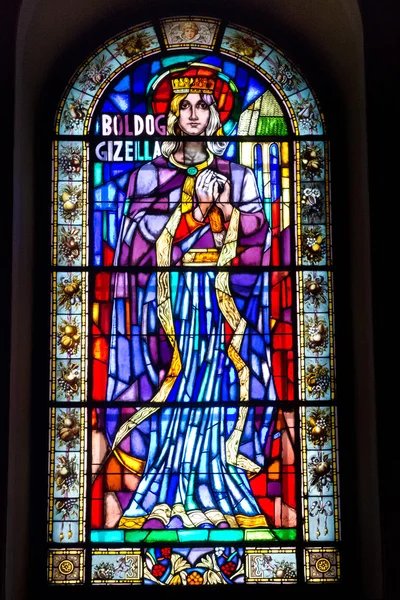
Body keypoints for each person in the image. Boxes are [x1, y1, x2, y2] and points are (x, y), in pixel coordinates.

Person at [105, 64, 277, 530]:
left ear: (218, 115)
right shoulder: (146, 178)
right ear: (170, 118)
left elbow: (260, 243)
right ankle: (162, 492)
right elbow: (136, 248)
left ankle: (220, 489)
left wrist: (224, 212)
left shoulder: (239, 177)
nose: (196, 113)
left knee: (218, 389)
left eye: (205, 105)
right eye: (186, 105)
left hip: (222, 304)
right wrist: (191, 212)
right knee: (175, 388)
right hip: (169, 304)